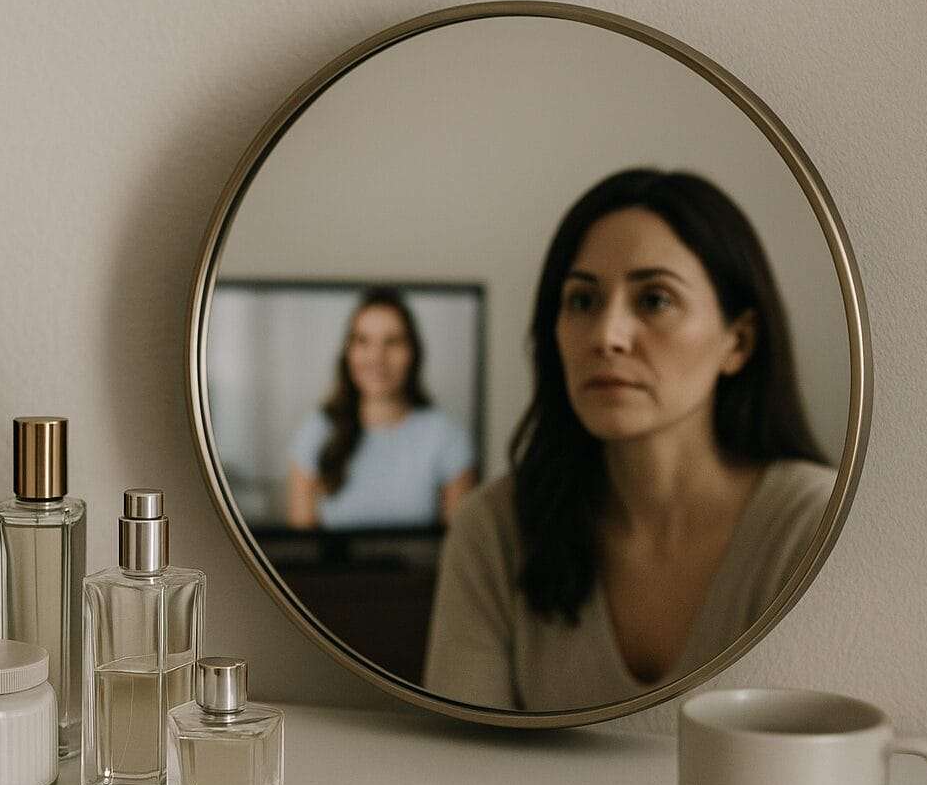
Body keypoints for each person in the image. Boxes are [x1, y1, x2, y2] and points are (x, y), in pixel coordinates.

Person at [423, 169, 835, 710]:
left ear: (737, 341)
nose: (607, 336)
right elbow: (460, 752)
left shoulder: (813, 525)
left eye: (655, 300)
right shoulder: (494, 531)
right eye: (582, 301)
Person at [286, 287, 477, 529]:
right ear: (348, 353)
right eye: (363, 341)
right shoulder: (315, 432)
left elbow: (457, 543)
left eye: (392, 342)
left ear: (413, 353)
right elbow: (302, 545)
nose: (376, 357)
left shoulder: (447, 437)